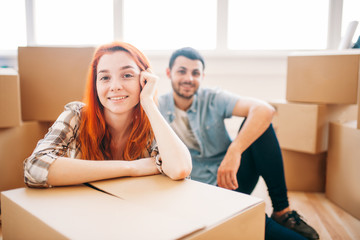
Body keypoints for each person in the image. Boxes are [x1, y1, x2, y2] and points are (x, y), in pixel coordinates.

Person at [158, 47, 320, 240]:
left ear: (202, 76)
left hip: (229, 179)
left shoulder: (212, 98)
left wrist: (234, 151)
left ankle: (282, 211)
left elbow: (264, 110)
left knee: (261, 127)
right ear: (169, 73)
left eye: (195, 73)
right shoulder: (157, 106)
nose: (188, 79)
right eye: (182, 71)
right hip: (196, 195)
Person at [24, 42, 192, 188]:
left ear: (144, 80)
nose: (115, 86)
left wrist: (148, 101)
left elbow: (180, 169)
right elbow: (34, 168)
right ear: (95, 85)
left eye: (127, 75)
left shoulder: (151, 124)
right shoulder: (76, 115)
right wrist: (132, 168)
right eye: (105, 77)